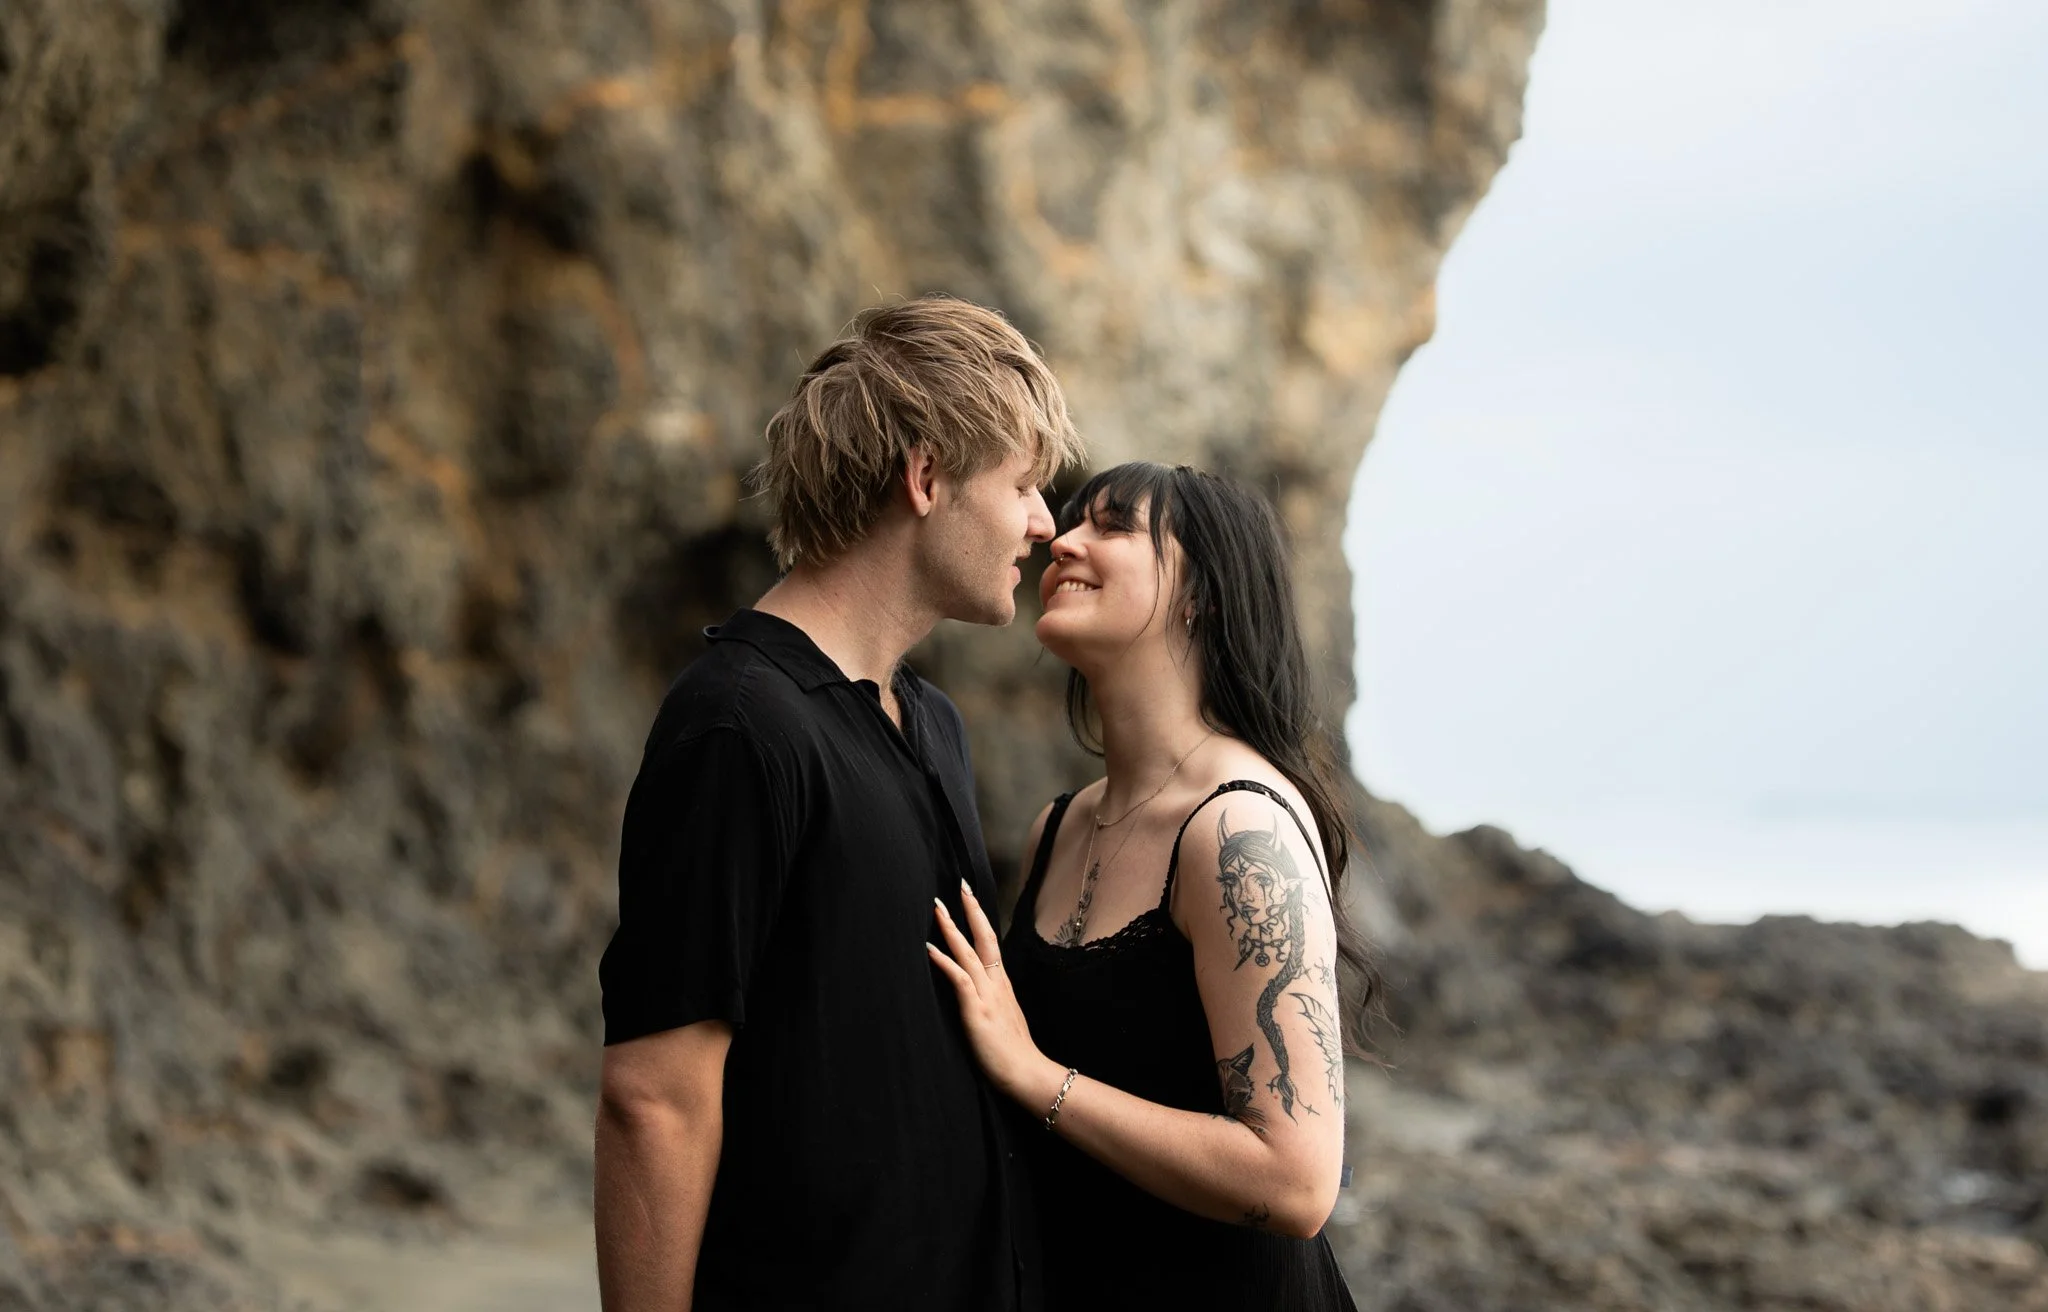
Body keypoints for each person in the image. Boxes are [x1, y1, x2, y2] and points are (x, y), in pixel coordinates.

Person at [593, 295, 1085, 1311]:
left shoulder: (933, 724)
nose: (1043, 523)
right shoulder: (736, 726)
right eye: (1025, 484)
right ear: (926, 475)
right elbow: (655, 1097)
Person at [927, 461, 1380, 1311]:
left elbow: (1298, 1183)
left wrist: (1035, 1076)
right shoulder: (1057, 828)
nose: (1063, 540)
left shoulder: (1241, 832)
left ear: (1198, 595)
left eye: (1115, 526)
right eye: (1071, 521)